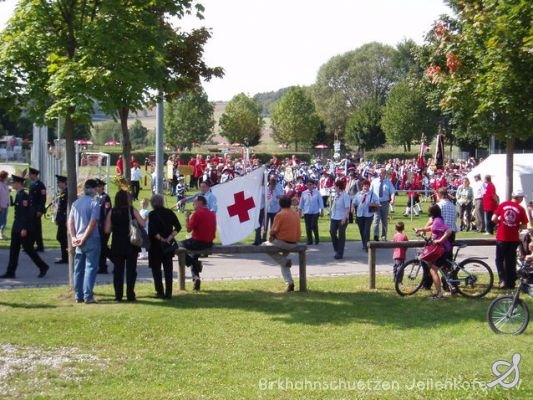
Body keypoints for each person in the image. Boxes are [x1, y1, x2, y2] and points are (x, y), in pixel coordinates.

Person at [0, 172, 50, 279]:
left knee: (28, 249)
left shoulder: (23, 196)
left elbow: (25, 214)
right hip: (17, 227)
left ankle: (43, 266)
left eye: (13, 182)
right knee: (14, 250)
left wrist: (23, 228)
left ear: (18, 183)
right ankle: (10, 272)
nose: (12, 184)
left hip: (21, 228)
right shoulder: (19, 195)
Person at [104, 190, 145, 302]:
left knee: (118, 271)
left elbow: (107, 230)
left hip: (117, 244)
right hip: (131, 244)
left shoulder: (112, 212)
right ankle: (130, 294)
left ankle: (118, 295)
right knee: (131, 270)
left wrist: (115, 227)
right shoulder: (132, 210)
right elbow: (142, 223)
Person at [68, 179, 101, 303]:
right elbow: (92, 223)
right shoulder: (94, 203)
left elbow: (70, 222)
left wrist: (74, 237)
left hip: (78, 238)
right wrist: (84, 238)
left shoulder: (76, 203)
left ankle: (78, 295)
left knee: (78, 268)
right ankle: (88, 295)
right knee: (90, 267)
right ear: (93, 189)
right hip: (91, 238)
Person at [262, 195, 301, 292]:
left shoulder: (280, 214)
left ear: (280, 204)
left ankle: (283, 261)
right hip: (294, 242)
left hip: (283, 242)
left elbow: (273, 230)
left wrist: (271, 236)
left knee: (263, 246)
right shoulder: (295, 213)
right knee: (283, 263)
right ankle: (290, 283)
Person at [491, 190, 528, 289]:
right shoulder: (521, 209)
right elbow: (524, 226)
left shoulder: (503, 205)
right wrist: (517, 225)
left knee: (499, 259)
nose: (522, 199)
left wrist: (501, 222)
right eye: (522, 198)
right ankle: (511, 283)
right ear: (518, 198)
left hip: (501, 237)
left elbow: (493, 218)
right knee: (510, 261)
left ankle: (502, 279)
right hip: (513, 238)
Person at [415, 205, 452, 299]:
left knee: (433, 269)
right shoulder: (437, 220)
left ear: (432, 214)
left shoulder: (438, 221)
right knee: (433, 267)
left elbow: (449, 231)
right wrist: (421, 229)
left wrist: (440, 240)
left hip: (443, 249)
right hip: (440, 249)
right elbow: (432, 228)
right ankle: (443, 289)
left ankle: (439, 293)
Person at [148, 194, 182, 298]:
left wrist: (162, 239)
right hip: (168, 246)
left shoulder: (152, 214)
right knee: (168, 270)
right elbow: (178, 227)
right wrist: (169, 238)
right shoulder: (169, 212)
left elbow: (152, 231)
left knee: (156, 270)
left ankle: (160, 292)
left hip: (155, 246)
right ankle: (169, 293)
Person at [181, 195, 216, 291]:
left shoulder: (197, 213)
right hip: (209, 242)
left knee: (178, 246)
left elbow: (188, 229)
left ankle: (194, 263)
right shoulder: (212, 213)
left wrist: (187, 217)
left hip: (198, 242)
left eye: (195, 202)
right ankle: (196, 278)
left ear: (200, 202)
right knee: (193, 255)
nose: (193, 204)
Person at [370, 168, 396, 241]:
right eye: (379, 173)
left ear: (385, 174)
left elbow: (392, 192)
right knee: (376, 220)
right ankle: (376, 236)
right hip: (376, 203)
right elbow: (370, 192)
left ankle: (383, 236)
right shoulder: (374, 181)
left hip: (385, 203)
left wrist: (392, 199)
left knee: (384, 221)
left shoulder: (388, 182)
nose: (380, 174)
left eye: (382, 173)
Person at [353, 180, 379, 252]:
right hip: (359, 215)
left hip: (368, 215)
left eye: (367, 186)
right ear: (362, 186)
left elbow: (378, 203)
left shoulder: (372, 194)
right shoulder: (358, 194)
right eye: (364, 186)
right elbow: (354, 202)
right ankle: (364, 244)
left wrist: (372, 204)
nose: (366, 187)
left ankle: (367, 246)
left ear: (369, 186)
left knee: (366, 231)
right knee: (361, 231)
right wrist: (352, 207)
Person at [329, 180, 351, 259]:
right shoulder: (336, 195)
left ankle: (340, 253)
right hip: (334, 217)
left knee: (341, 235)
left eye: (335, 186)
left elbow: (347, 208)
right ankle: (337, 248)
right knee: (332, 232)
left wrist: (344, 218)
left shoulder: (345, 196)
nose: (334, 187)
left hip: (342, 218)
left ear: (338, 187)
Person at [298, 178, 324, 245]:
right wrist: (300, 212)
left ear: (313, 185)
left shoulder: (317, 192)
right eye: (308, 185)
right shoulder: (304, 193)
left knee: (313, 225)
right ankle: (309, 240)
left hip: (315, 212)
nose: (309, 186)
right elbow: (301, 203)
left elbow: (320, 202)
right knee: (308, 227)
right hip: (307, 212)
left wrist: (322, 211)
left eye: (311, 185)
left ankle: (317, 238)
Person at [95, 178, 112, 273]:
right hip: (99, 226)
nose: (96, 188)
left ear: (101, 187)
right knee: (102, 247)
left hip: (104, 226)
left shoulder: (105, 198)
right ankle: (103, 266)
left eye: (97, 186)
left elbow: (107, 213)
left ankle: (114, 262)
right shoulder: (99, 197)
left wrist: (107, 226)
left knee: (103, 247)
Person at [28, 167, 46, 252]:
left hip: (37, 210)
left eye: (30, 174)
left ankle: (40, 246)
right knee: (31, 228)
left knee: (37, 229)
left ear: (34, 175)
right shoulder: (32, 184)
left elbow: (43, 198)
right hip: (31, 210)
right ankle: (30, 245)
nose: (29, 176)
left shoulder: (40, 185)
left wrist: (40, 210)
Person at [54, 175, 69, 264]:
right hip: (61, 218)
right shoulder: (63, 192)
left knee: (62, 237)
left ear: (63, 183)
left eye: (59, 182)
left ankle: (66, 257)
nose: (58, 184)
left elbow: (66, 207)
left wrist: (66, 219)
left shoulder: (67, 192)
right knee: (61, 237)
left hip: (64, 219)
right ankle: (65, 256)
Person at [0, 171, 9, 239]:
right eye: (6, 176)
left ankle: (2, 233)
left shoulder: (5, 184)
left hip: (5, 204)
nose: (7, 178)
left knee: (4, 220)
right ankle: (0, 233)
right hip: (1, 205)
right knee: (1, 219)